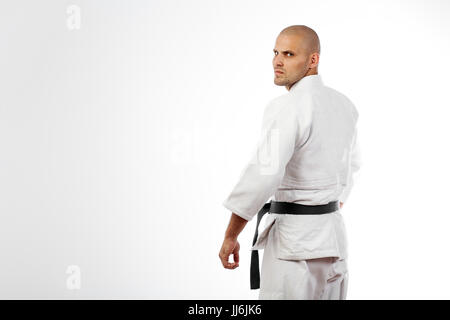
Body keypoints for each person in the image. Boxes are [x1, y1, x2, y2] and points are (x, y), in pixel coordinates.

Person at [218, 25, 362, 300]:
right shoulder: (345, 105)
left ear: (313, 60)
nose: (277, 61)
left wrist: (231, 234)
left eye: (289, 53)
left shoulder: (287, 106)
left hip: (294, 249)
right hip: (333, 240)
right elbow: (353, 164)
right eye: (275, 52)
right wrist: (328, 201)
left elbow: (263, 175)